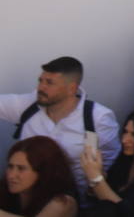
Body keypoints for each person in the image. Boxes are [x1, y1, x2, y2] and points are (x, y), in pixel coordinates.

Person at [0, 57, 120, 196]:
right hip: (25, 197)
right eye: (41, 81)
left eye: (49, 83)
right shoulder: (29, 105)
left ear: (72, 88)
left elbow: (110, 161)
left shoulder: (97, 118)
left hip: (75, 202)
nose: (41, 87)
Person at [0, 136, 78, 217]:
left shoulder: (63, 202)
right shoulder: (4, 188)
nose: (11, 175)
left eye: (21, 168)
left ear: (44, 171)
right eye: (10, 167)